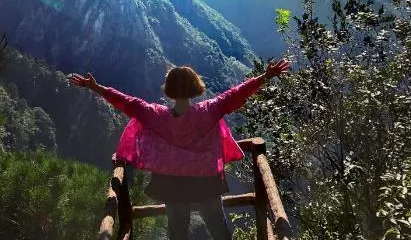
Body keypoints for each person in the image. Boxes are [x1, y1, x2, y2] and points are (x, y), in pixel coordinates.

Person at [68, 59, 290, 240]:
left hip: (170, 183)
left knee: (177, 232)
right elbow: (236, 94)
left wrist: (96, 87)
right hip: (206, 182)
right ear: (195, 87)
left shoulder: (155, 115)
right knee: (219, 230)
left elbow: (127, 102)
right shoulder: (209, 111)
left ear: (169, 89)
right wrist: (266, 76)